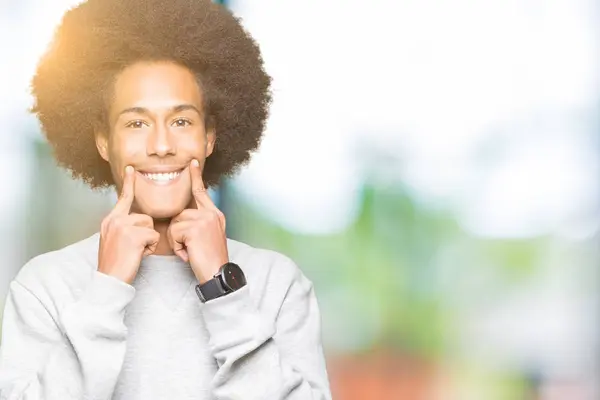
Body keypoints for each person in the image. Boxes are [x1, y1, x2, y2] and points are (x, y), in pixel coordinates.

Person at [0, 0, 331, 399]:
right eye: (137, 123)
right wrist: (106, 290)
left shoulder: (277, 284)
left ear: (209, 136)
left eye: (181, 121)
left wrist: (223, 290)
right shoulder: (45, 286)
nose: (161, 145)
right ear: (104, 141)